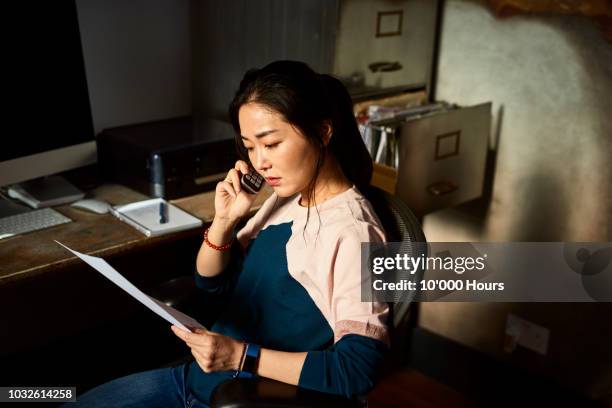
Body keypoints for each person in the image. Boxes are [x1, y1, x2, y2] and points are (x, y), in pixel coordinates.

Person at [68, 60, 390, 408]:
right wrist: (224, 220)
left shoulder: (353, 232)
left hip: (247, 397)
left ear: (323, 132)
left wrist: (239, 357)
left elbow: (357, 369)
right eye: (250, 147)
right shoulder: (286, 197)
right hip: (197, 378)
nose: (260, 163)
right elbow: (212, 285)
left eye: (271, 143)